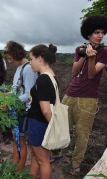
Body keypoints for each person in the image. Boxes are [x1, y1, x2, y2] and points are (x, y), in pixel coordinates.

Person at [61, 15, 107, 176]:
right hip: (70, 94)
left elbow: (91, 75)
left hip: (88, 99)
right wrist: (83, 56)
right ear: (88, 34)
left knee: (82, 134)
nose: (100, 35)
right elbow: (74, 72)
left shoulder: (104, 52)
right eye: (96, 32)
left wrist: (92, 57)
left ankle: (76, 164)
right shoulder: (79, 49)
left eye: (102, 32)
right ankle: (57, 153)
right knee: (61, 127)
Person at [4, 41, 38, 170]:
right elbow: (16, 89)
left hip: (23, 109)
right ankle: (14, 164)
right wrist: (6, 96)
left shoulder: (28, 68)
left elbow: (29, 94)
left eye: (10, 58)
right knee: (15, 137)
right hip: (16, 108)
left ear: (16, 54)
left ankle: (20, 169)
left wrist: (11, 101)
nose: (10, 61)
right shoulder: (20, 67)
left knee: (21, 139)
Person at [27, 44, 58, 179]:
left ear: (39, 58)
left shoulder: (43, 79)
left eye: (31, 59)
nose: (30, 62)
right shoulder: (51, 76)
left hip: (38, 124)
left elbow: (45, 110)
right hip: (42, 123)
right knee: (37, 157)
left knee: (43, 161)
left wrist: (54, 126)